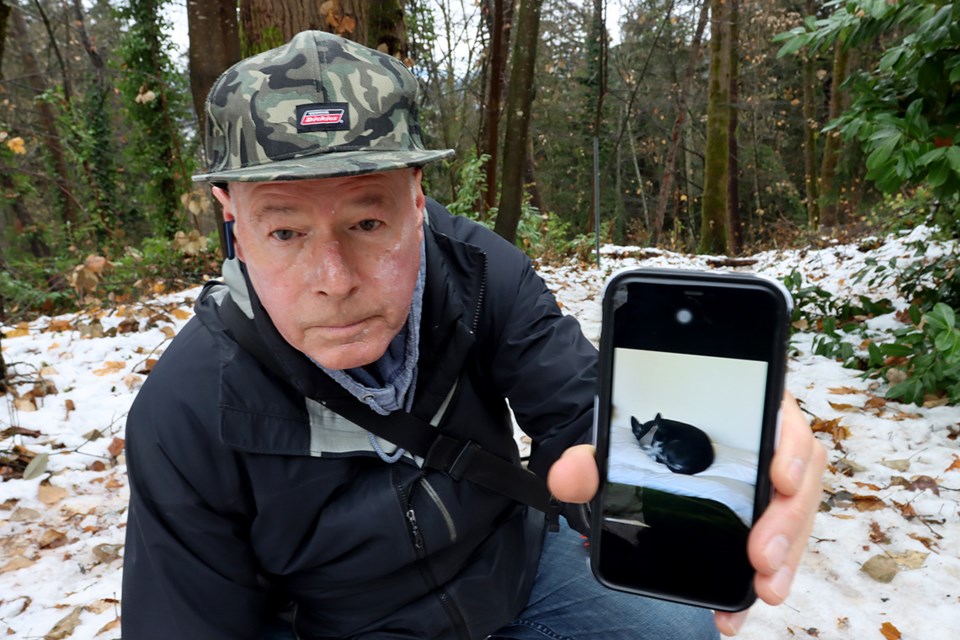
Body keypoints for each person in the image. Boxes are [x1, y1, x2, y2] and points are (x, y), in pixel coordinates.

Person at [121, 31, 826, 640]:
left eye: (368, 223)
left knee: (682, 624)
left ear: (417, 196)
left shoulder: (483, 276)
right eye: (285, 231)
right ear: (230, 218)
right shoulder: (186, 410)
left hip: (514, 574)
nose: (333, 279)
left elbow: (582, 416)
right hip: (341, 624)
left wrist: (675, 479)